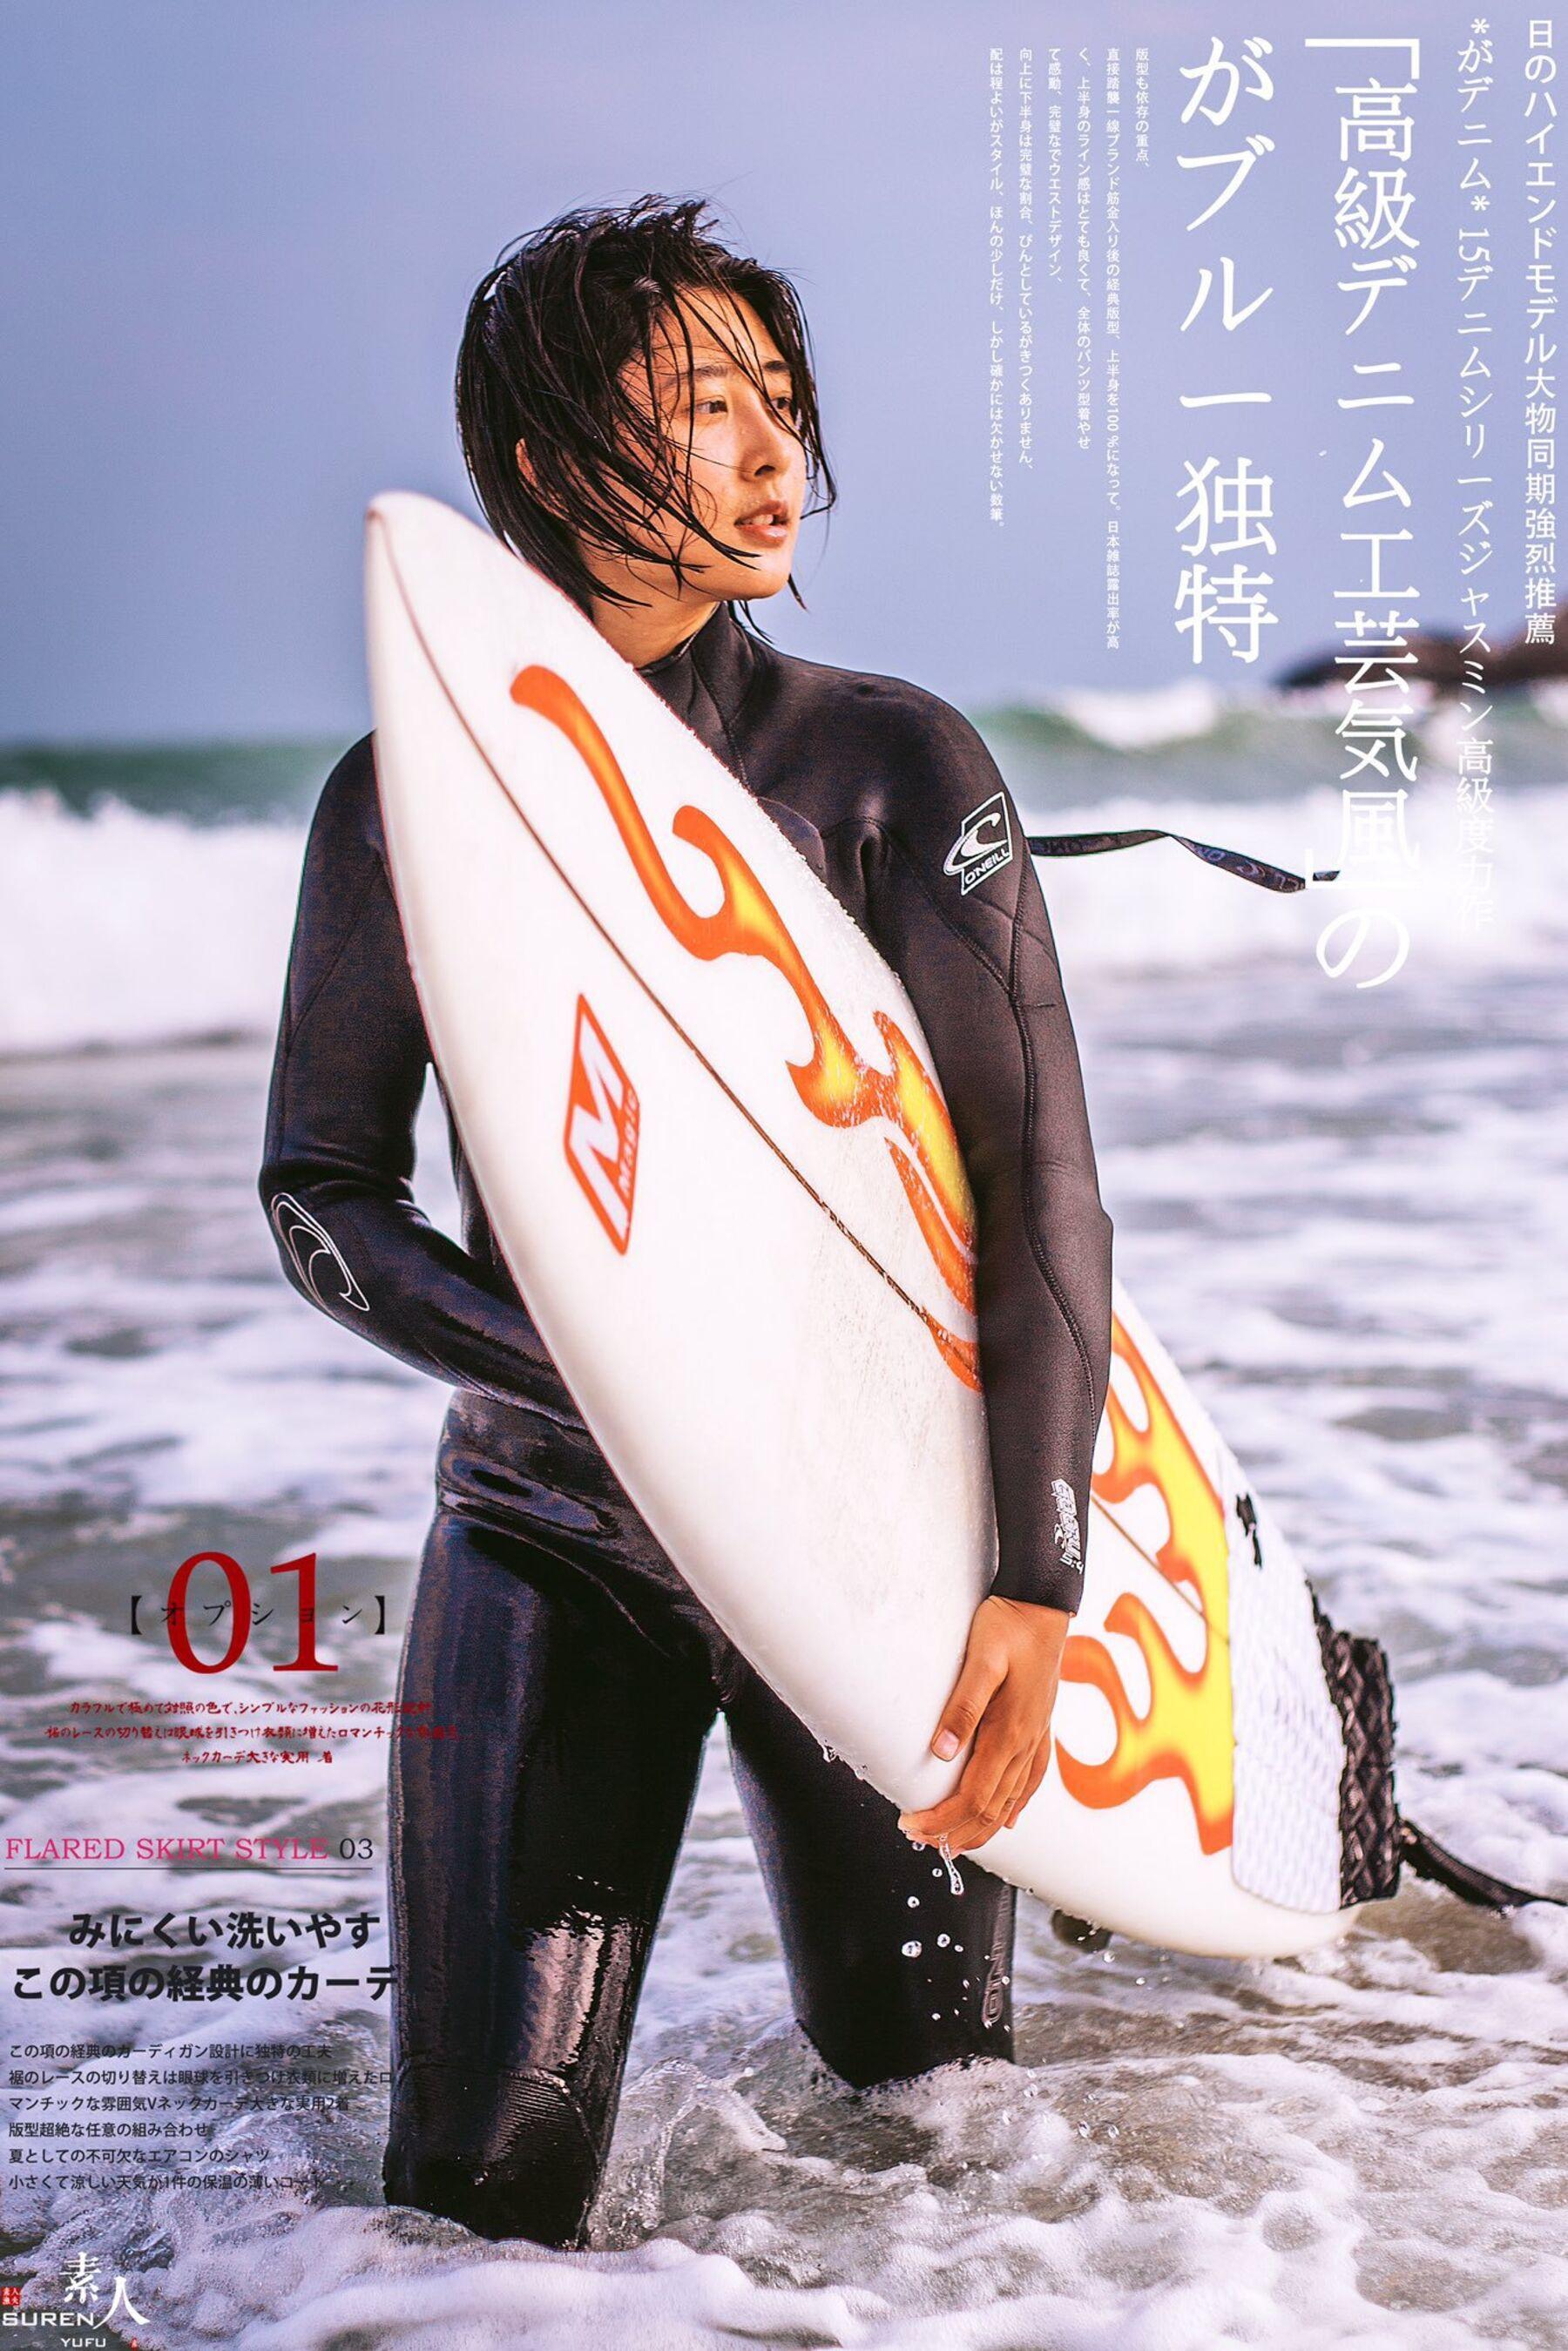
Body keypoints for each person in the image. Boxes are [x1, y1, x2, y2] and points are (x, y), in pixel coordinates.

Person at [260, 197, 1114, 2250]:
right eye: (701, 405)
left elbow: (1037, 1185)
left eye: (781, 401)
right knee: (477, 2196)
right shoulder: (413, 797)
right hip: (554, 1533)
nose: (770, 449)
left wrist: (1036, 1574)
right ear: (549, 459)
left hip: (874, 1539)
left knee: (937, 2131)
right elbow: (322, 1196)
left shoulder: (895, 768)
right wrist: (604, 1376)